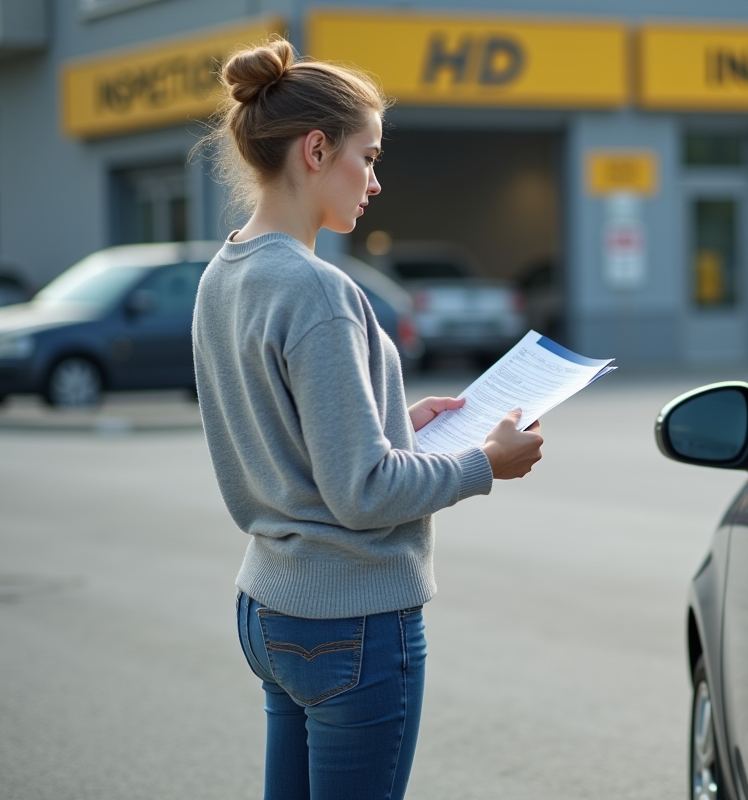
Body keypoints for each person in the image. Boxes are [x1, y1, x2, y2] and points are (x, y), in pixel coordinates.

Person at [190, 37, 544, 800]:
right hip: (350, 620)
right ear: (316, 150)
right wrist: (487, 463)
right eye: (370, 157)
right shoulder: (318, 291)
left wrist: (394, 419)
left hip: (270, 607)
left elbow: (295, 437)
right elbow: (363, 494)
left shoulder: (224, 273)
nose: (376, 182)